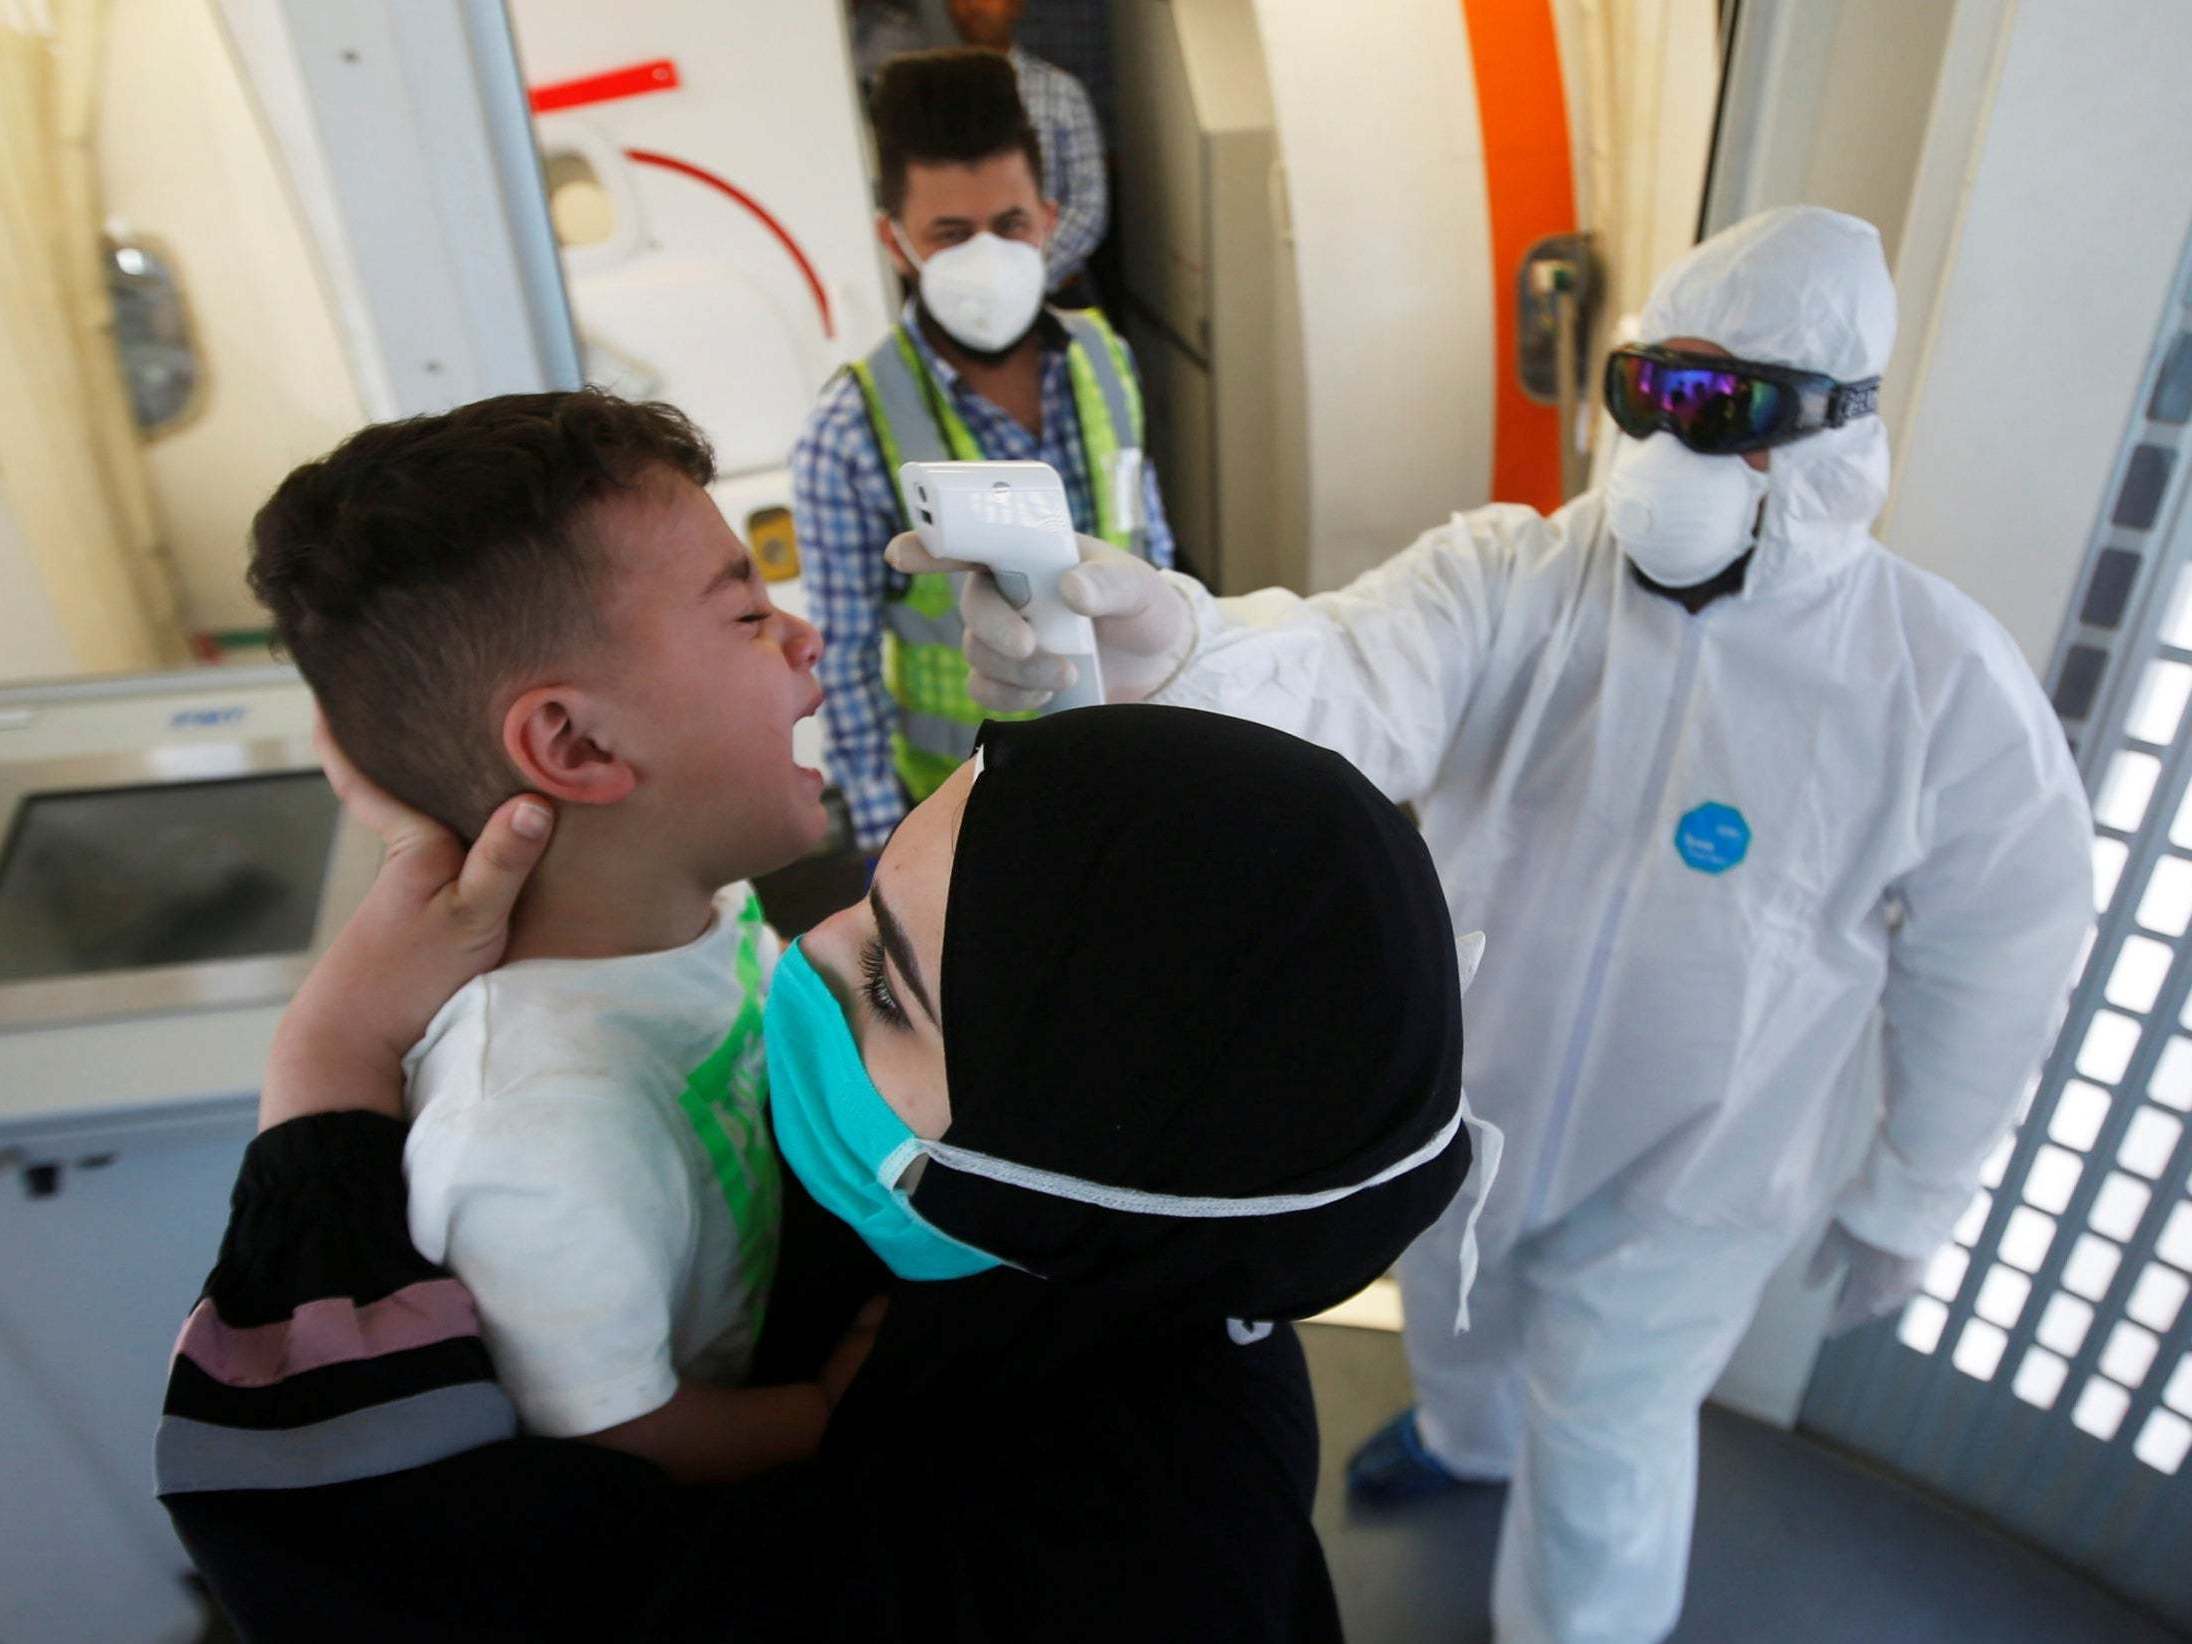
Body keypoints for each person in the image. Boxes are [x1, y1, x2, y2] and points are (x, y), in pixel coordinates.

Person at [904, 206, 2096, 1644]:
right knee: (1453, 1315)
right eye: (1650, 389)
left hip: (1701, 1165)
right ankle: (1467, 1444)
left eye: (1725, 408)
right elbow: (1349, 673)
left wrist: (1917, 1187)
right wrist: (1180, 652)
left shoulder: (1934, 684)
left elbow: (2001, 952)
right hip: (1474, 1101)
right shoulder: (1517, 575)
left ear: (1833, 435)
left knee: (1606, 1436)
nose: (1671, 445)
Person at [158, 705, 1492, 1642]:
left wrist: (331, 1058)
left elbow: (426, 1580)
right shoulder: (1108, 1239)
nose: (805, 955)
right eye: (869, 886)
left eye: (891, 992)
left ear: (1075, 1154)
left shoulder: (1111, 1567)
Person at [244, 389, 857, 1485]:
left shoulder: (699, 907)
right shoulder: (533, 1138)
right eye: (746, 615)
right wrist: (829, 1412)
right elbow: (623, 1434)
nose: (803, 635)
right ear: (570, 743)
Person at [793, 47, 1174, 858]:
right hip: (969, 810)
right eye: (951, 234)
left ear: (1049, 215)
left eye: (1010, 227)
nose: (988, 259)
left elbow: (1154, 550)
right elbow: (847, 668)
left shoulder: (1105, 358)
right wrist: (885, 853)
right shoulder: (850, 429)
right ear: (896, 244)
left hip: (1135, 761)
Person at [942, 0, 1107, 299]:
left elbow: (1089, 208)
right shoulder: (934, 101)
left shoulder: (1060, 92)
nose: (973, 6)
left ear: (1017, 5)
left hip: (1055, 293)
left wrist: (1020, 277)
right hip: (967, 301)